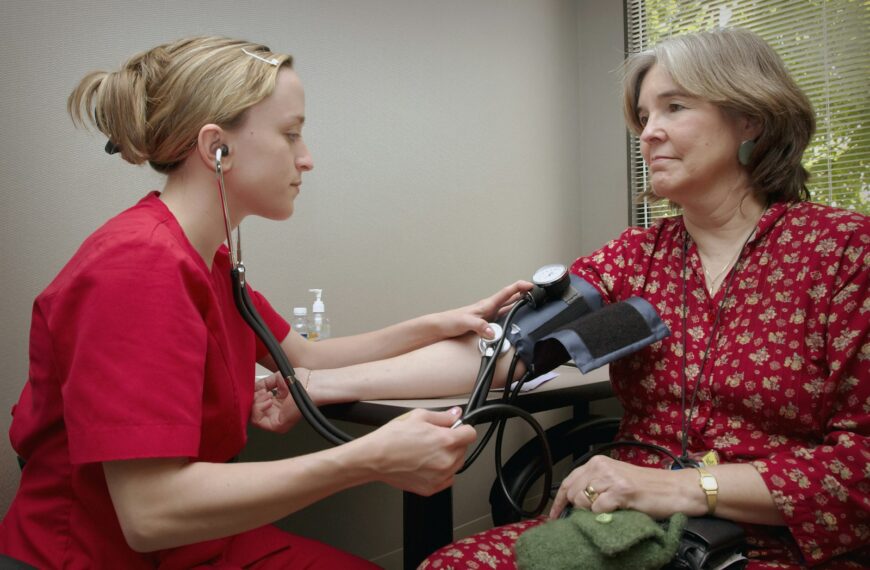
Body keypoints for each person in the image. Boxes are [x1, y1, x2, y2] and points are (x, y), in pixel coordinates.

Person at [0, 36, 532, 568]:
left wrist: (437, 322)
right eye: (290, 134)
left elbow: (306, 357)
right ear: (217, 149)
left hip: (197, 545)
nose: (307, 159)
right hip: (99, 556)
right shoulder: (138, 265)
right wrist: (367, 458)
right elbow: (149, 515)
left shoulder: (204, 258)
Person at [421, 27, 868, 569]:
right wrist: (318, 382)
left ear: (750, 118)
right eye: (643, 117)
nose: (649, 133)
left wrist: (677, 487)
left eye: (674, 107)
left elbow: (860, 466)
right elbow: (508, 352)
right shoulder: (638, 258)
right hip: (624, 531)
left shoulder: (844, 252)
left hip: (777, 544)